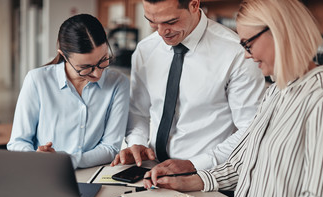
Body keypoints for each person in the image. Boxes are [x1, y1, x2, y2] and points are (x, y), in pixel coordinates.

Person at [143, 0, 323, 197]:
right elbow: (241, 164)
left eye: (248, 44)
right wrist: (189, 182)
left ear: (279, 32)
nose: (245, 55)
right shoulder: (277, 91)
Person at [111, 0, 265, 171]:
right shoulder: (145, 49)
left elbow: (250, 129)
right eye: (152, 22)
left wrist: (195, 165)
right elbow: (138, 111)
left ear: (194, 5)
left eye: (170, 22)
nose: (161, 32)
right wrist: (137, 142)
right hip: (152, 169)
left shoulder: (236, 52)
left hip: (208, 175)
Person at [7, 14, 130, 169]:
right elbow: (18, 142)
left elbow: (110, 147)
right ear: (64, 55)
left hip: (93, 175)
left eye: (103, 60)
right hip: (44, 172)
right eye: (85, 67)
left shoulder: (119, 83)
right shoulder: (37, 80)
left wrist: (65, 161)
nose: (97, 74)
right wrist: (37, 158)